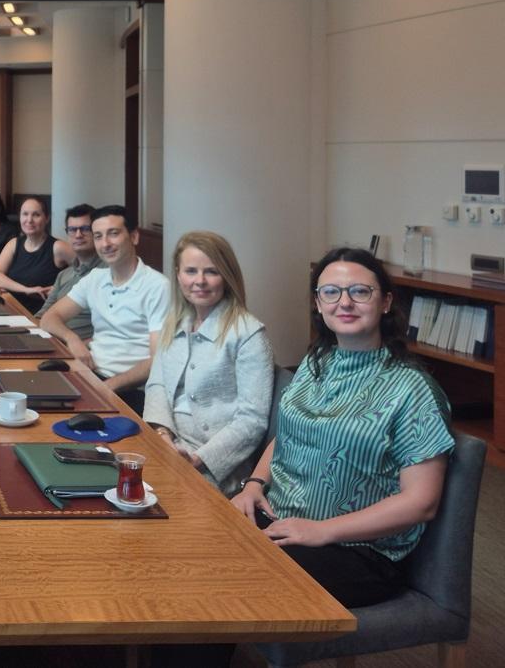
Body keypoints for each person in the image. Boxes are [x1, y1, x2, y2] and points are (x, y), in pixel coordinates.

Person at [233, 247, 454, 609]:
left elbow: (421, 502)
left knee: (231, 578)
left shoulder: (412, 389)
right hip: (281, 520)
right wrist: (254, 485)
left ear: (386, 302)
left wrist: (321, 531)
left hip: (357, 551)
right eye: (331, 292)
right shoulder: (317, 362)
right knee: (197, 542)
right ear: (318, 304)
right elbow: (289, 434)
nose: (345, 302)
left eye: (360, 291)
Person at [144, 231, 274, 495]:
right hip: (167, 444)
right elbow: (157, 384)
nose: (199, 281)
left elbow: (252, 420)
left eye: (211, 272)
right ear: (178, 274)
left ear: (227, 276)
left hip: (213, 466)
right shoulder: (175, 322)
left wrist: (196, 459)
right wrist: (162, 436)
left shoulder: (248, 334)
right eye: (191, 271)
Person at [37, 204, 169, 413]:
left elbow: (157, 360)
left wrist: (106, 387)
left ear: (134, 237)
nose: (105, 243)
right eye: (98, 236)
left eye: (113, 234)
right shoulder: (96, 278)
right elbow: (49, 318)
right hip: (90, 375)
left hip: (131, 390)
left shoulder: (157, 286)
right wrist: (73, 339)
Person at [0, 197, 70, 314]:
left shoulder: (58, 247)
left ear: (47, 218)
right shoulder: (14, 244)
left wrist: (60, 289)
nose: (29, 220)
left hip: (41, 316)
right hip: (12, 311)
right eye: (25, 214)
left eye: (36, 215)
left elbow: (87, 273)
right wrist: (26, 290)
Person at [39, 203, 103, 340]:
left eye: (85, 229)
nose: (78, 235)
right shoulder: (63, 275)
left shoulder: (108, 273)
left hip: (83, 348)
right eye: (72, 230)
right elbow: (42, 315)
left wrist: (79, 345)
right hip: (52, 341)